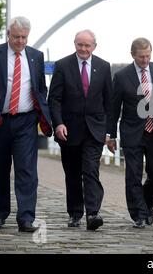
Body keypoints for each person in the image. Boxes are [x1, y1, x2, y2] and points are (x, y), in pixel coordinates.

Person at [0, 16, 52, 232]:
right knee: (0, 169)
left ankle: (25, 218)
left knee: (27, 171)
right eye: (16, 37)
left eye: (24, 37)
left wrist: (40, 114)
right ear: (8, 34)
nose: (20, 41)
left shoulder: (35, 56)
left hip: (26, 121)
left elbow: (41, 89)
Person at [48, 30, 112, 231]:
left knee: (91, 170)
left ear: (94, 45)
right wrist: (58, 123)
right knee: (73, 173)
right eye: (80, 45)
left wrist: (108, 131)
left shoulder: (103, 66)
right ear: (75, 44)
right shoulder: (62, 65)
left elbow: (108, 101)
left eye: (87, 45)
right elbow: (54, 99)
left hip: (94, 130)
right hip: (69, 130)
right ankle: (75, 213)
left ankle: (93, 213)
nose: (83, 49)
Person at [107, 38, 153, 229]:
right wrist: (111, 135)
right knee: (133, 175)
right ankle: (139, 215)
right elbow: (114, 107)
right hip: (133, 132)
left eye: (148, 56)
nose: (145, 60)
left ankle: (146, 203)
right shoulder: (122, 76)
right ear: (133, 55)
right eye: (141, 57)